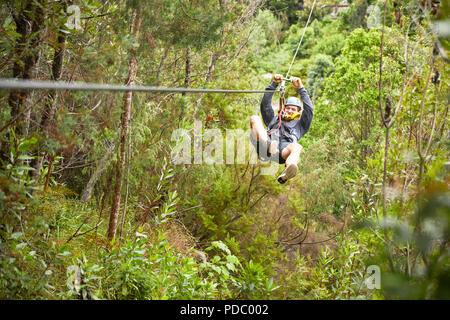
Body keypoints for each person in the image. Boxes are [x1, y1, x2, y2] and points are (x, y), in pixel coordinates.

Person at [250, 74, 313, 184]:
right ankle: (268, 145)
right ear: (284, 108)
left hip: (282, 150)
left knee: (297, 147)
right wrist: (274, 84)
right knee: (254, 118)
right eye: (288, 108)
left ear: (298, 112)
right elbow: (265, 105)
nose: (290, 111)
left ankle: (287, 171)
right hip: (265, 143)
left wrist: (301, 88)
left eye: (293, 109)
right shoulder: (274, 119)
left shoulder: (300, 125)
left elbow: (309, 109)